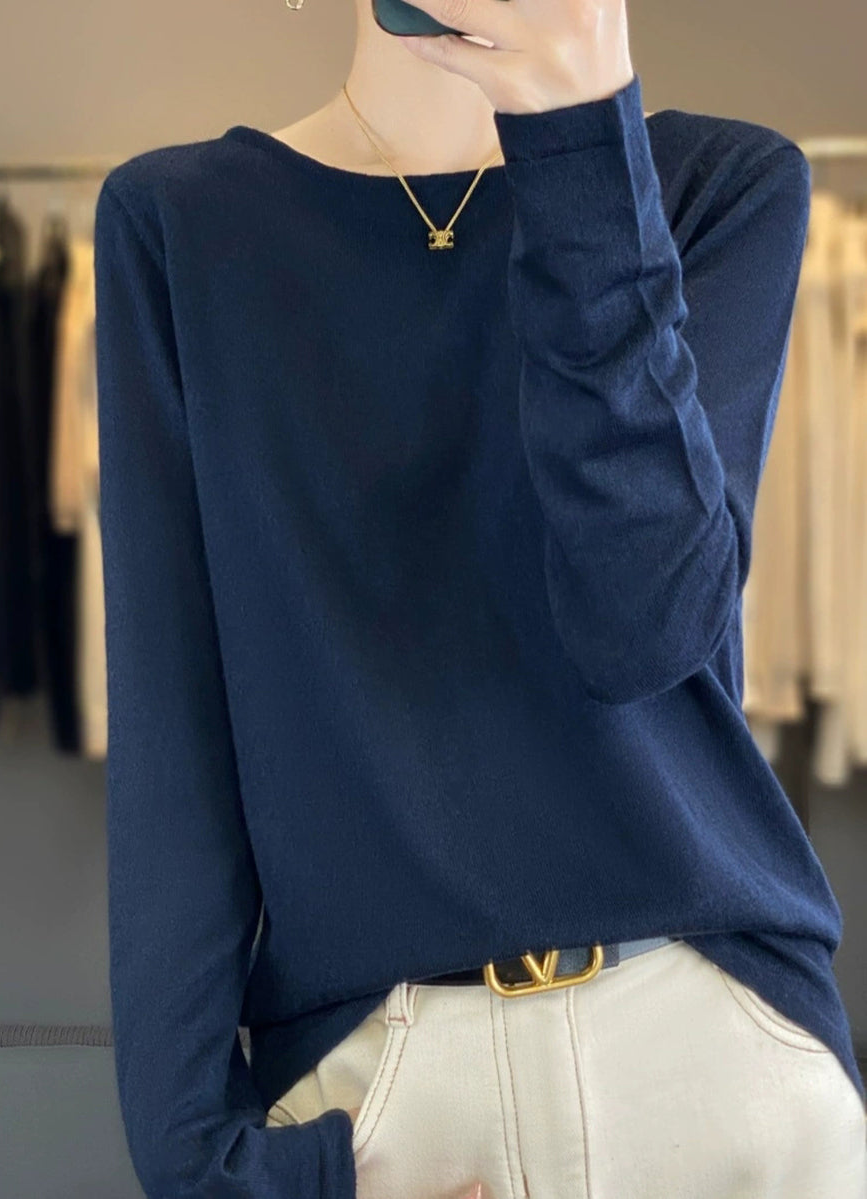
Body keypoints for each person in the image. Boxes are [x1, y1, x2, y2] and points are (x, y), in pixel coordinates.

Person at [92, 0, 867, 1196]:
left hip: (715, 1059)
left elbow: (644, 625)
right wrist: (206, 1169)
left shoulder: (722, 188)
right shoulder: (179, 226)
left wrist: (583, 142)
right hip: (388, 1098)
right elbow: (172, 737)